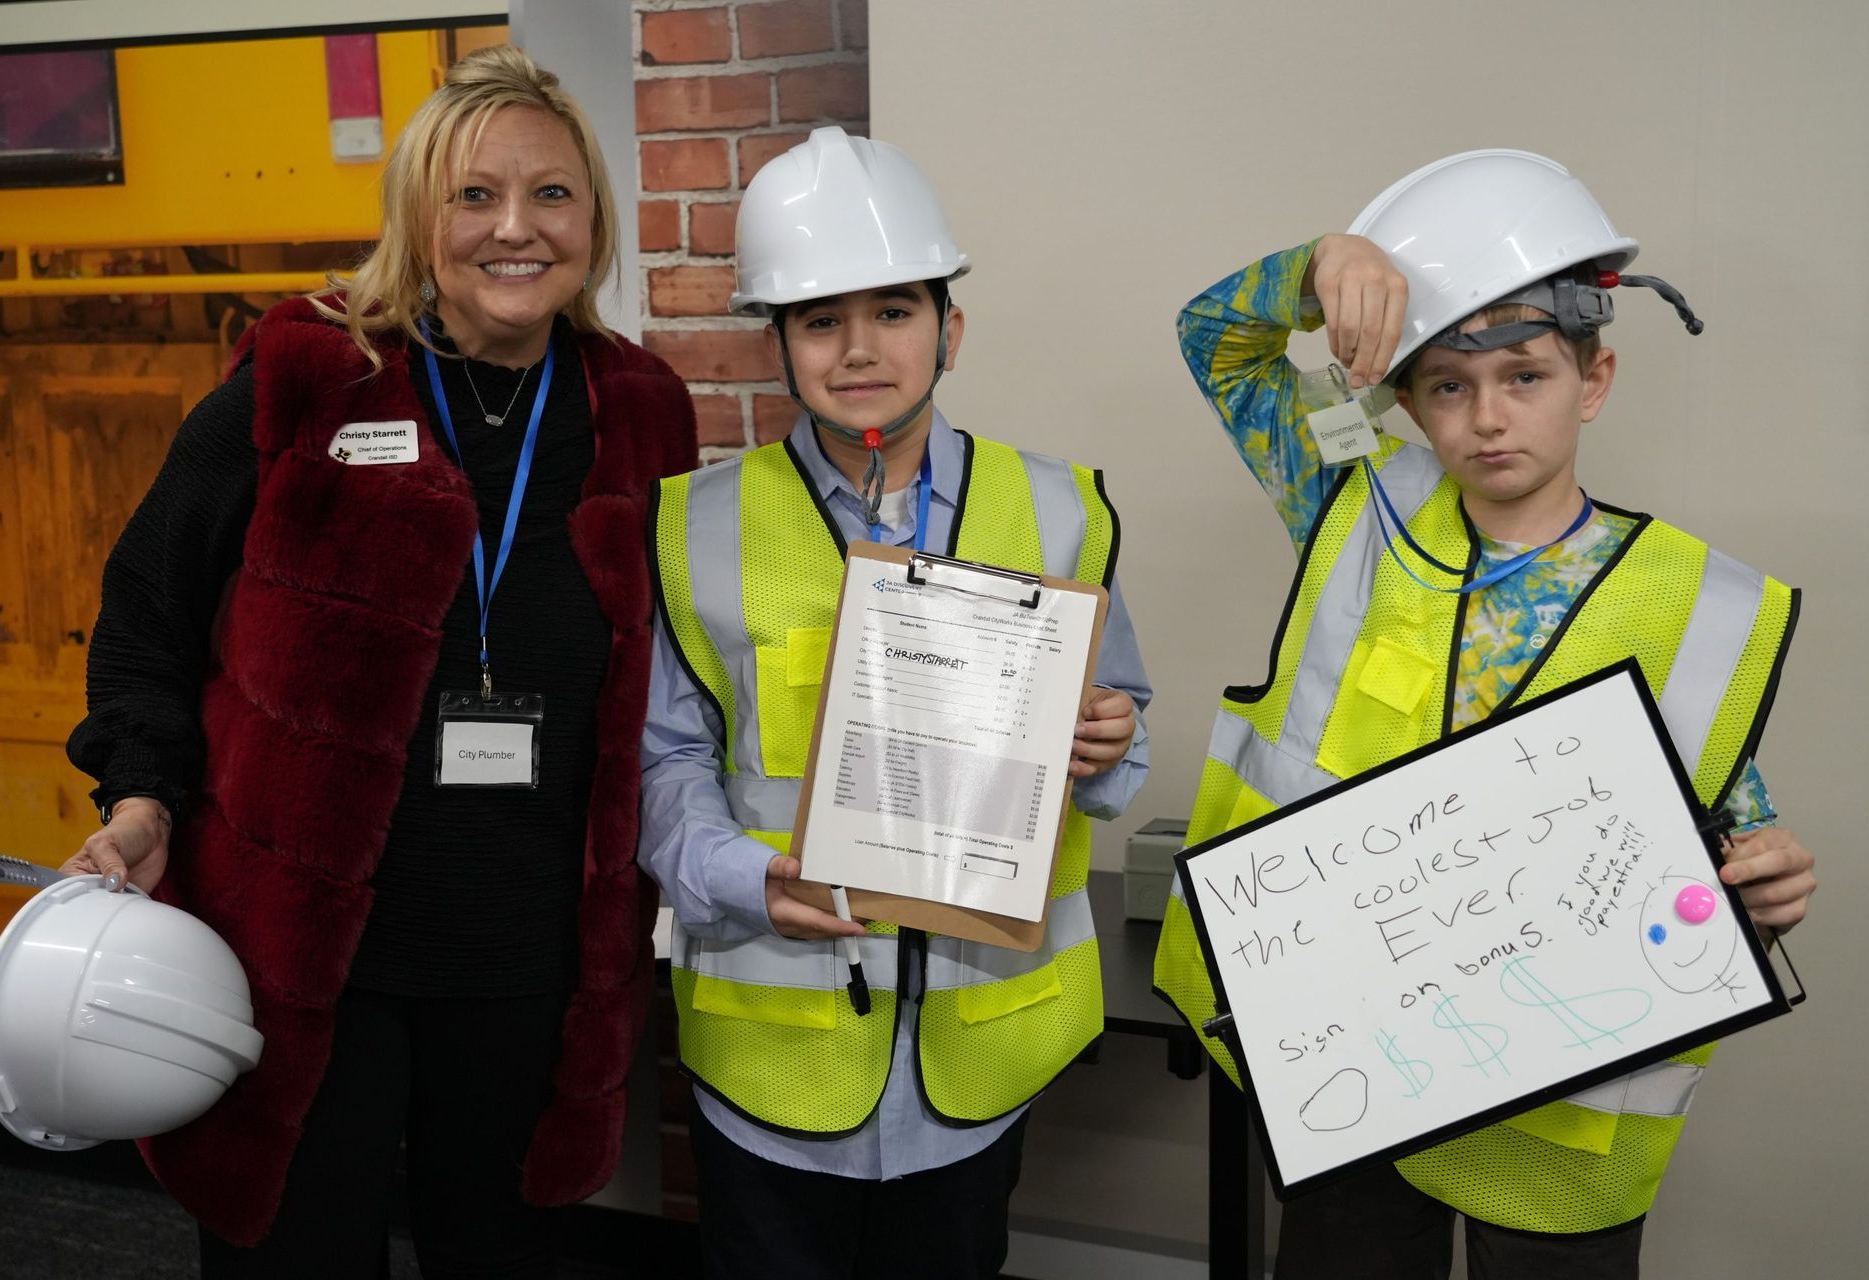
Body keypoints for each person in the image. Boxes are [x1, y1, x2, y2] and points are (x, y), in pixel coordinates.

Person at [58, 45, 695, 1276]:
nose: (516, 228)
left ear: (593, 220)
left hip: (529, 959)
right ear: (418, 215)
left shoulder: (641, 404)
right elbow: (146, 606)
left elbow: (681, 664)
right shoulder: (308, 371)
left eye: (552, 194)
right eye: (474, 195)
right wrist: (142, 797)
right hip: (303, 959)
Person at [1153, 149, 1817, 1278]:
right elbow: (1216, 339)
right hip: (1357, 1078)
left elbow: (1724, 806)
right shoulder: (1354, 506)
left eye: (1526, 375)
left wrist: (1770, 869)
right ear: (1404, 398)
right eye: (1449, 386)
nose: (1487, 416)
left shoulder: (1695, 599)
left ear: (1594, 379)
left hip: (1559, 1123)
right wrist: (1321, 269)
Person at [639, 126, 1152, 1279]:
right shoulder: (693, 526)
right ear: (776, 340)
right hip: (770, 1061)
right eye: (820, 319)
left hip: (978, 1063)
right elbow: (665, 761)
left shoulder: (1063, 510)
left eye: (895, 310)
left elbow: (1125, 728)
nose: (859, 347)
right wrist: (738, 872)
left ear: (949, 328)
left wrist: (1113, 738)